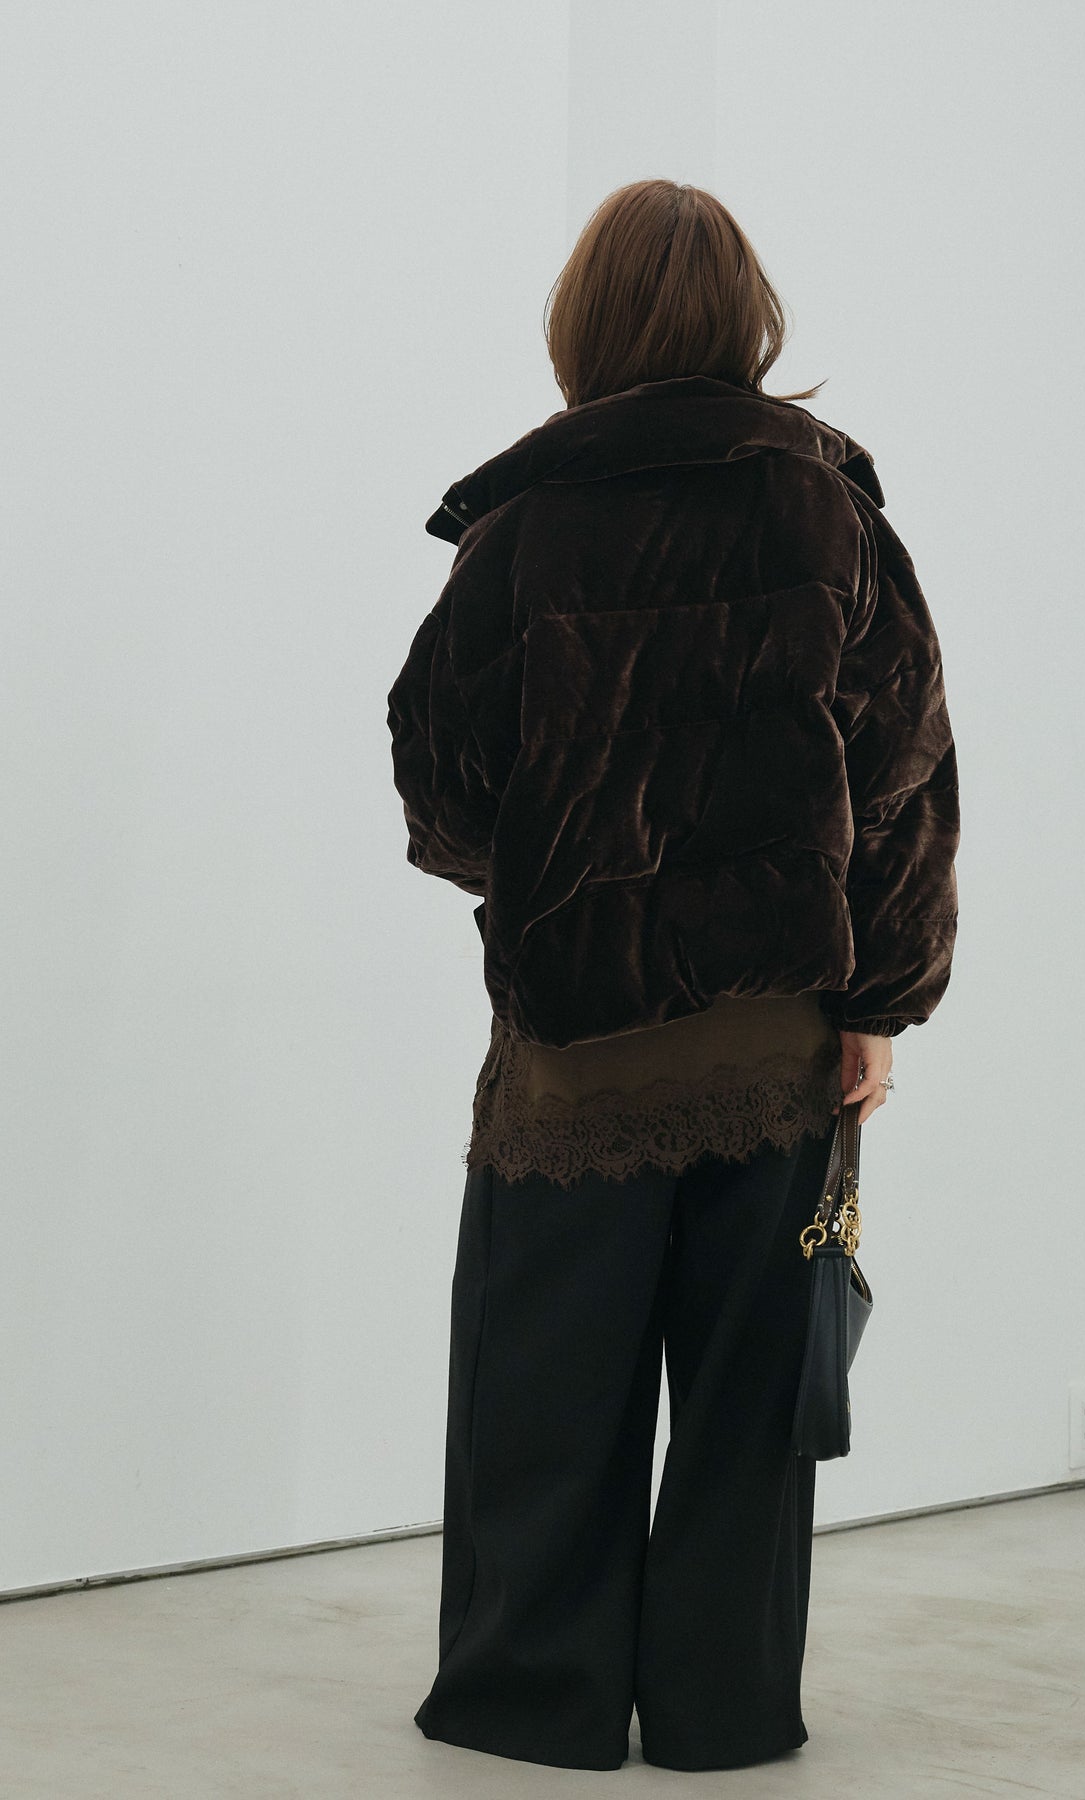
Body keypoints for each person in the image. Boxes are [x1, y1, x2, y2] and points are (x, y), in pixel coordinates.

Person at [386, 177, 960, 1773]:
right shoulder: (828, 510)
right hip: (777, 1039)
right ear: (746, 317)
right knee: (746, 1400)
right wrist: (876, 1003)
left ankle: (531, 1697)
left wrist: (541, 881)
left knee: (538, 1384)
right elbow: (905, 770)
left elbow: (437, 767)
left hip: (575, 1043)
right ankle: (723, 1708)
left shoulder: (522, 522)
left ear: (582, 324)